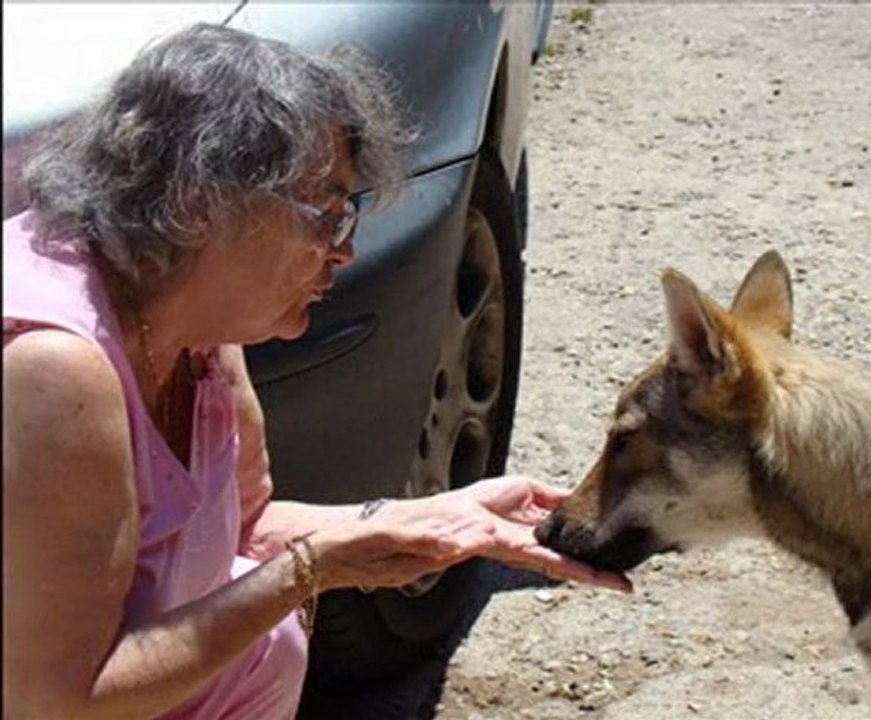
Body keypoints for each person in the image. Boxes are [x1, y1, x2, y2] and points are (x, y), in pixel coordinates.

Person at [2, 23, 630, 720]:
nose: (344, 249)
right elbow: (55, 701)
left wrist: (432, 520)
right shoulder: (55, 371)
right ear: (197, 205)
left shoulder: (195, 330)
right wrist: (306, 575)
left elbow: (240, 534)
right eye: (325, 214)